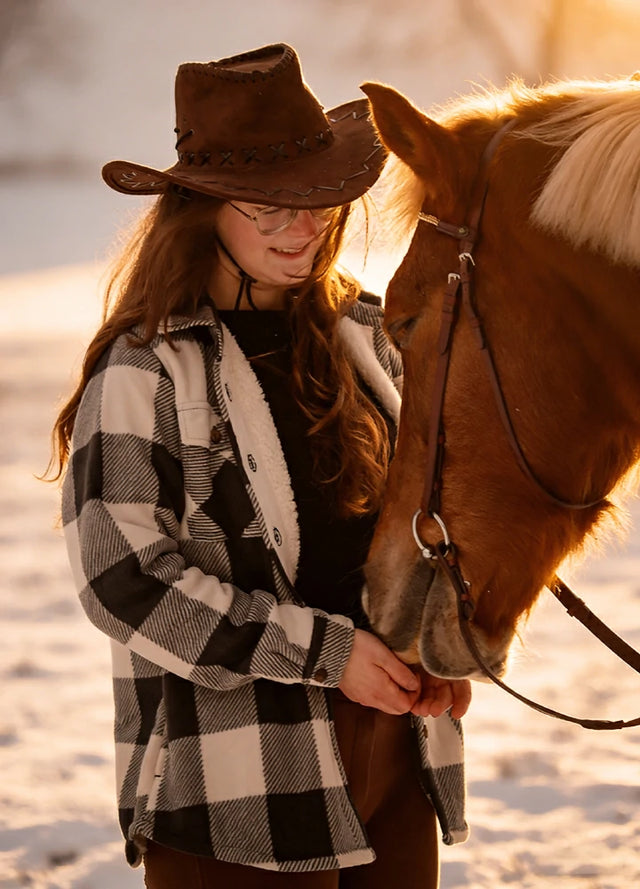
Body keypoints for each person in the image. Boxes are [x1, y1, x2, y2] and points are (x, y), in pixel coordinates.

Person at [50, 43, 471, 888]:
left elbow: (423, 518)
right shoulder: (146, 368)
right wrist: (326, 653)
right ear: (202, 211)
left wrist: (440, 645)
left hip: (396, 756)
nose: (302, 230)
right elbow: (123, 579)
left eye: (315, 203)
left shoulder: (369, 334)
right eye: (265, 208)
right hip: (235, 779)